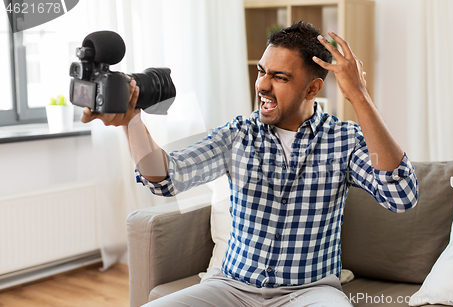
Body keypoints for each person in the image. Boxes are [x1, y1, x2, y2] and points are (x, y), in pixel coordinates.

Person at [82, 21, 418, 307]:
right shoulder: (238, 134)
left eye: (280, 77)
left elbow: (400, 195)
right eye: (261, 71)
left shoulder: (344, 140)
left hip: (310, 292)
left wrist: (358, 94)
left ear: (312, 88)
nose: (262, 85)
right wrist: (132, 120)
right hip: (232, 288)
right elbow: (167, 177)